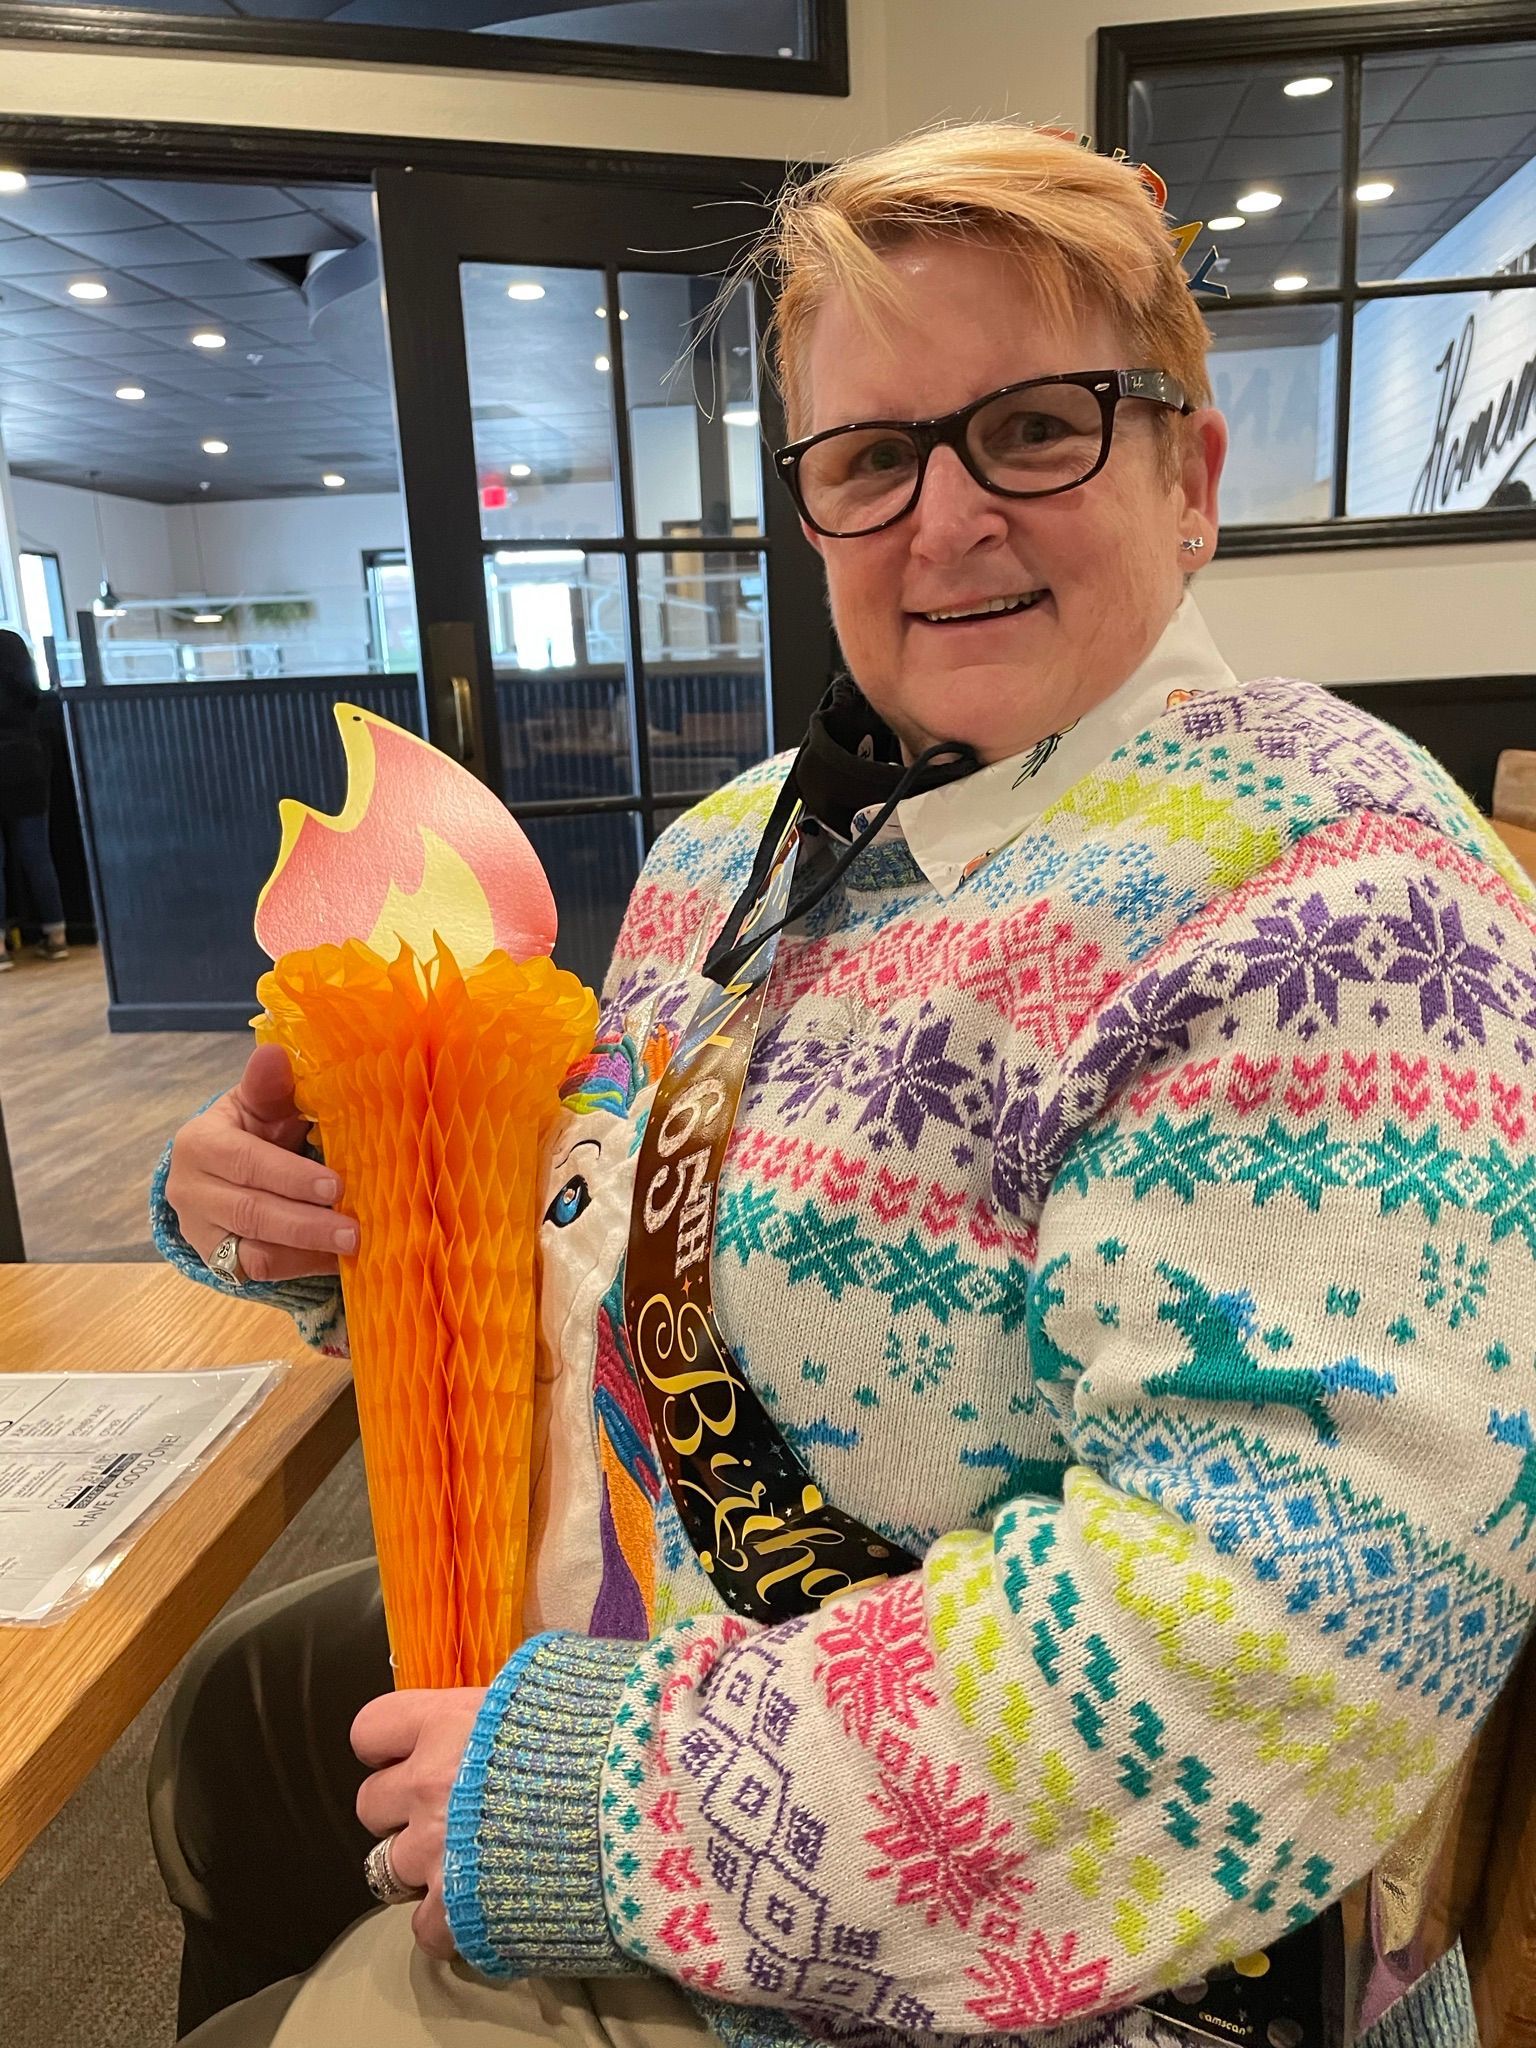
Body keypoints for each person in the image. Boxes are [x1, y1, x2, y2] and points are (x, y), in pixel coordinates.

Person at [149, 123, 1536, 2048]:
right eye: (871, 456)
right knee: (236, 1726)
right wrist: (328, 1214)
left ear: (1192, 477)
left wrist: (603, 1795)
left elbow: (1283, 1630)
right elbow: (605, 1245)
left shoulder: (1340, 899)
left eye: (1036, 428)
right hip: (646, 1633)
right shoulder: (736, 847)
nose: (943, 519)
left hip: (1032, 1972)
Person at [0, 628, 68, 969]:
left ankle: (0, 950)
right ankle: (57, 937)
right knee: (37, 853)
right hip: (26, 759)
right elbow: (34, 696)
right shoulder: (12, 642)